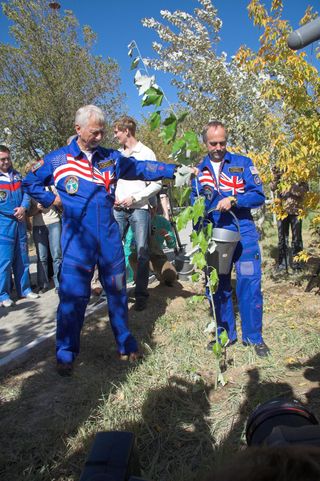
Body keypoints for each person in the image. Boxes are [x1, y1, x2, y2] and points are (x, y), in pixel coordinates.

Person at [22, 105, 189, 376]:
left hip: (110, 237)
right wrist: (51, 200)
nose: (100, 137)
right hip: (77, 241)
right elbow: (29, 182)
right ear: (78, 129)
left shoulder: (110, 158)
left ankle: (125, 343)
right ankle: (66, 353)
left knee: (117, 293)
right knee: (73, 297)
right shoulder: (57, 160)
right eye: (95, 132)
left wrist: (173, 170)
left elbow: (141, 168)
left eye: (102, 132)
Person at [191, 120, 269, 357]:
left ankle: (254, 338)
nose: (218, 147)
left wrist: (234, 199)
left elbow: (258, 195)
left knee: (249, 281)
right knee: (219, 284)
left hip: (242, 230)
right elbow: (193, 204)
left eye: (222, 142)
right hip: (215, 234)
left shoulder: (242, 164)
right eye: (213, 143)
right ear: (205, 143)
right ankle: (225, 335)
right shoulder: (198, 171)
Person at [113, 116, 162, 312]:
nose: (115, 135)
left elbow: (157, 183)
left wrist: (136, 198)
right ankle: (117, 293)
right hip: (117, 210)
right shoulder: (116, 155)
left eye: (117, 131)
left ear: (127, 131)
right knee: (114, 253)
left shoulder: (147, 153)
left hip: (139, 210)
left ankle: (141, 294)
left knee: (142, 252)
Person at [0, 145, 39, 307]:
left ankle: (25, 289)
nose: (6, 162)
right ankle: (3, 295)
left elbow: (27, 194)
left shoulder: (17, 176)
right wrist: (14, 212)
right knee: (5, 261)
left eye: (8, 158)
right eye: (2, 159)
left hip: (20, 222)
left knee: (23, 258)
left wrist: (23, 208)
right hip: (4, 225)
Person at [126, 197, 178, 286]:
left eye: (154, 208)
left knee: (170, 275)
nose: (152, 211)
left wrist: (168, 237)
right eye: (150, 208)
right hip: (139, 256)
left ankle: (158, 274)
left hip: (156, 257)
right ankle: (140, 278)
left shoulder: (162, 222)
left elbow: (172, 245)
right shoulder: (136, 223)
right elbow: (128, 248)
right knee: (132, 259)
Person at [270, 168, 308, 271]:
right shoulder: (280, 171)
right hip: (281, 212)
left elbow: (304, 191)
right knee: (282, 239)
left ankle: (298, 265)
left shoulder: (300, 171)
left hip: (296, 212)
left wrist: (289, 186)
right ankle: (282, 265)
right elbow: (272, 187)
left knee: (297, 239)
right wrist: (276, 177)